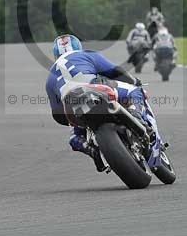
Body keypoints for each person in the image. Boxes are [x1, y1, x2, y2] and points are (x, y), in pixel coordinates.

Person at [45, 34, 154, 170]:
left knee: (74, 138)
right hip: (95, 90)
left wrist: (70, 121)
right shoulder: (85, 55)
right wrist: (133, 81)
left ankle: (90, 149)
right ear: (78, 46)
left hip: (72, 105)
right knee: (134, 92)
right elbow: (115, 71)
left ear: (55, 54)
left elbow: (57, 115)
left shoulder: (49, 78)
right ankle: (140, 121)